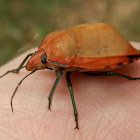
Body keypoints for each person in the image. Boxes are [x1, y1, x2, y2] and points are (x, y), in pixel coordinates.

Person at [0, 42, 140, 139]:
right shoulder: (51, 56)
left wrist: (50, 98)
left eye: (43, 60)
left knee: (109, 73)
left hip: (113, 54)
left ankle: (131, 78)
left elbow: (60, 74)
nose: (37, 60)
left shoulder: (64, 66)